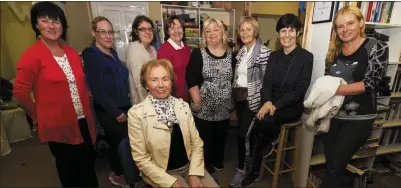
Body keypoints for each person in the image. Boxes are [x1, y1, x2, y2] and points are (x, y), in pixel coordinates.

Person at [12, 2, 98, 187]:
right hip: (58, 126)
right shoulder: (32, 55)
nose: (51, 26)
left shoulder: (71, 53)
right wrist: (37, 116)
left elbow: (80, 86)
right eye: (45, 20)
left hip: (82, 121)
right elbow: (20, 91)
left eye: (56, 21)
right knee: (70, 173)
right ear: (36, 25)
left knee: (89, 169)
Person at [241, 13, 313, 187]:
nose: (286, 35)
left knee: (263, 122)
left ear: (297, 33)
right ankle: (269, 139)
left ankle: (255, 168)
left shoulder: (306, 57)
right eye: (283, 30)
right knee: (259, 118)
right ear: (278, 33)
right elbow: (267, 84)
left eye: (291, 30)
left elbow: (298, 91)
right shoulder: (274, 56)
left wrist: (275, 105)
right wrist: (266, 101)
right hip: (271, 102)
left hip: (291, 106)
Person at [321, 6, 388, 188]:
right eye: (340, 26)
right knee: (332, 166)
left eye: (350, 23)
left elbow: (369, 83)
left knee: (335, 167)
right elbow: (328, 79)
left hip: (359, 119)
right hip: (334, 116)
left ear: (361, 23)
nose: (345, 29)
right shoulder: (334, 50)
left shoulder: (376, 47)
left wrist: (333, 90)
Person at [128, 59, 219, 188]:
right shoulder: (136, 114)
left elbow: (197, 144)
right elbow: (141, 159)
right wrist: (170, 182)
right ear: (146, 84)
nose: (161, 85)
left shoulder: (183, 106)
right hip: (162, 172)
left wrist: (194, 173)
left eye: (165, 79)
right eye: (154, 80)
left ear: (171, 81)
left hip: (190, 166)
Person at [82, 16, 132, 187]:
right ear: (94, 33)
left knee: (123, 142)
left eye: (110, 31)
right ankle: (117, 174)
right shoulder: (91, 55)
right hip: (109, 109)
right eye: (103, 32)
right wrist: (115, 112)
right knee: (120, 142)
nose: (108, 36)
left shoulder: (113, 53)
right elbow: (97, 89)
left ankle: (124, 171)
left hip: (124, 104)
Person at [186, 18, 234, 176]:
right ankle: (205, 163)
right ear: (204, 36)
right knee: (204, 137)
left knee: (221, 135)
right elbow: (191, 78)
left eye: (216, 29)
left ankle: (217, 160)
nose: (212, 33)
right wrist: (197, 101)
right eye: (208, 31)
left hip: (225, 107)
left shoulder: (231, 55)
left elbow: (235, 80)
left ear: (222, 33)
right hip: (204, 106)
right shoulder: (198, 54)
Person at [228, 16, 272, 187]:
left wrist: (265, 102)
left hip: (254, 100)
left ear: (255, 31)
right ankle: (253, 168)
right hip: (239, 98)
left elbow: (268, 81)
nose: (245, 32)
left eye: (248, 29)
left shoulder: (264, 52)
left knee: (242, 135)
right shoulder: (241, 52)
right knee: (248, 135)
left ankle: (241, 170)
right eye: (242, 29)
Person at [157, 15, 191, 102]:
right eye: (172, 28)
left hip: (188, 95)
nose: (177, 31)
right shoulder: (164, 50)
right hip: (173, 98)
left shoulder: (186, 48)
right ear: (168, 32)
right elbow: (163, 78)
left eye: (179, 27)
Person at [126, 15, 157, 105]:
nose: (148, 32)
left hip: (155, 97)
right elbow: (139, 83)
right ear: (136, 32)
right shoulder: (134, 48)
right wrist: (147, 105)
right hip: (143, 101)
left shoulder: (153, 49)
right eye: (143, 29)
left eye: (150, 29)